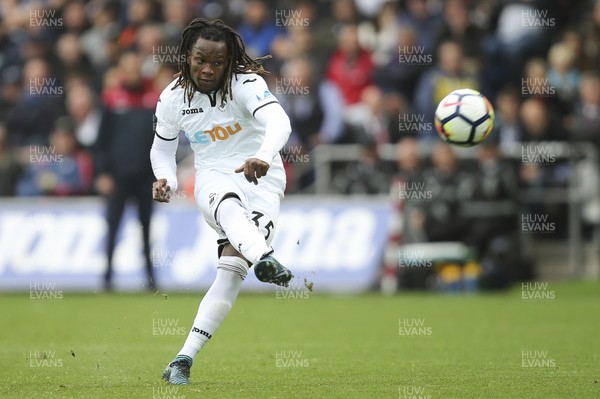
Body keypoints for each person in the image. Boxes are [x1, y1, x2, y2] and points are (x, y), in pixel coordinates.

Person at [150, 18, 294, 385]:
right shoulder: (171, 98)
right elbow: (162, 150)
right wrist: (164, 178)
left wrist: (263, 154)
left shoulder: (247, 84)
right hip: (213, 174)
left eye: (217, 62)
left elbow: (279, 123)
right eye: (201, 60)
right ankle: (266, 258)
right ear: (187, 56)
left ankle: (182, 360)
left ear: (230, 62)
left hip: (263, 177)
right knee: (227, 204)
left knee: (230, 274)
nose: (208, 69)